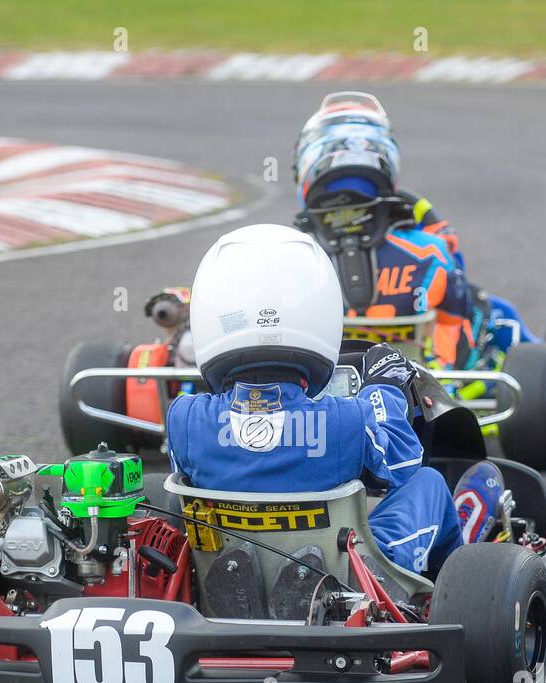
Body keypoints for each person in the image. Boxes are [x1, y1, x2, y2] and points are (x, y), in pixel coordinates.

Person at [166, 223, 502, 577]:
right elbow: (404, 467)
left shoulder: (185, 418)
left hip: (226, 566)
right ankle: (447, 593)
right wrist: (383, 387)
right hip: (343, 576)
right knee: (430, 483)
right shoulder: (349, 419)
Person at [291, 91, 521, 373]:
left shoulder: (295, 259)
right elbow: (458, 310)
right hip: (425, 381)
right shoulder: (427, 251)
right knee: (487, 306)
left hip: (323, 379)